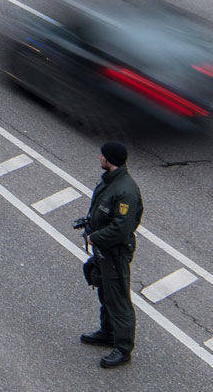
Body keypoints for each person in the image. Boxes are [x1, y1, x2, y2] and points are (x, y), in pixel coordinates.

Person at [77, 141, 143, 369]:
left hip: (114, 253)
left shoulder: (125, 190)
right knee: (105, 292)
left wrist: (95, 237)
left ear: (110, 160)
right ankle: (108, 332)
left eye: (102, 156)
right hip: (104, 252)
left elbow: (122, 228)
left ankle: (123, 348)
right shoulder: (111, 182)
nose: (99, 158)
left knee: (119, 300)